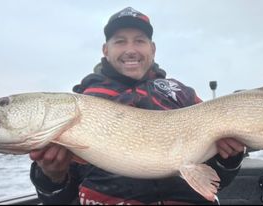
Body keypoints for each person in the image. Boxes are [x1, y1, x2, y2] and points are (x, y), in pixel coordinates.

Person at [29, 7, 246, 205]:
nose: (130, 49)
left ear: (152, 48)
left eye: (139, 41)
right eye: (120, 41)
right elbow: (59, 200)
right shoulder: (81, 105)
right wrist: (51, 176)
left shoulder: (183, 95)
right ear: (106, 49)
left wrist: (230, 159)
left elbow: (218, 180)